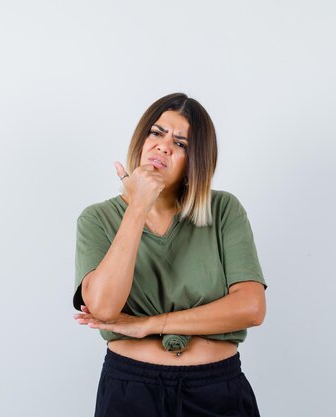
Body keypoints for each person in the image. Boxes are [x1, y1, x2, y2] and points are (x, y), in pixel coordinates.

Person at [73, 92, 267, 417]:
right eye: (157, 133)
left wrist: (150, 324)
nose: (164, 146)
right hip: (131, 391)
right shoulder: (96, 219)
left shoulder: (223, 210)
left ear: (197, 160)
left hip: (216, 391)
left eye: (181, 143)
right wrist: (138, 205)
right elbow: (104, 308)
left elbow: (251, 307)